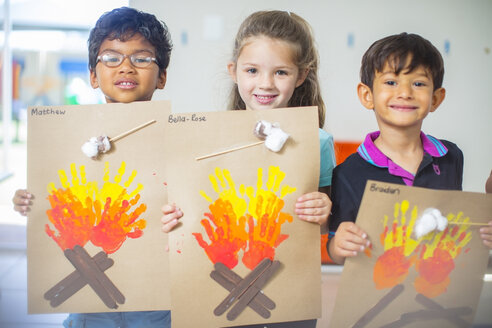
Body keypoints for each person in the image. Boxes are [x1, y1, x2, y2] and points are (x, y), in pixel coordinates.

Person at [161, 10, 335, 328]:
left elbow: (322, 229)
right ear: (234, 71)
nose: (265, 84)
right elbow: (190, 209)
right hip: (218, 285)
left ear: (301, 75)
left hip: (290, 295)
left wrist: (324, 213)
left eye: (281, 72)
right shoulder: (207, 139)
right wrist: (174, 216)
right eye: (252, 70)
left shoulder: (318, 141)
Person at [12, 6, 172, 327]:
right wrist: (32, 200)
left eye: (141, 58)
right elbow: (55, 199)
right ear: (93, 76)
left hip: (159, 299)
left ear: (162, 76)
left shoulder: (177, 138)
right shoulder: (68, 140)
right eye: (112, 58)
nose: (126, 67)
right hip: (88, 302)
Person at [327, 32, 492, 265]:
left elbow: (453, 228)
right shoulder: (346, 174)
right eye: (391, 82)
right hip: (378, 293)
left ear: (435, 99)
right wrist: (340, 245)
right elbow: (335, 249)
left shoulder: (451, 157)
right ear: (367, 95)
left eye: (418, 83)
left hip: (437, 287)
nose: (405, 93)